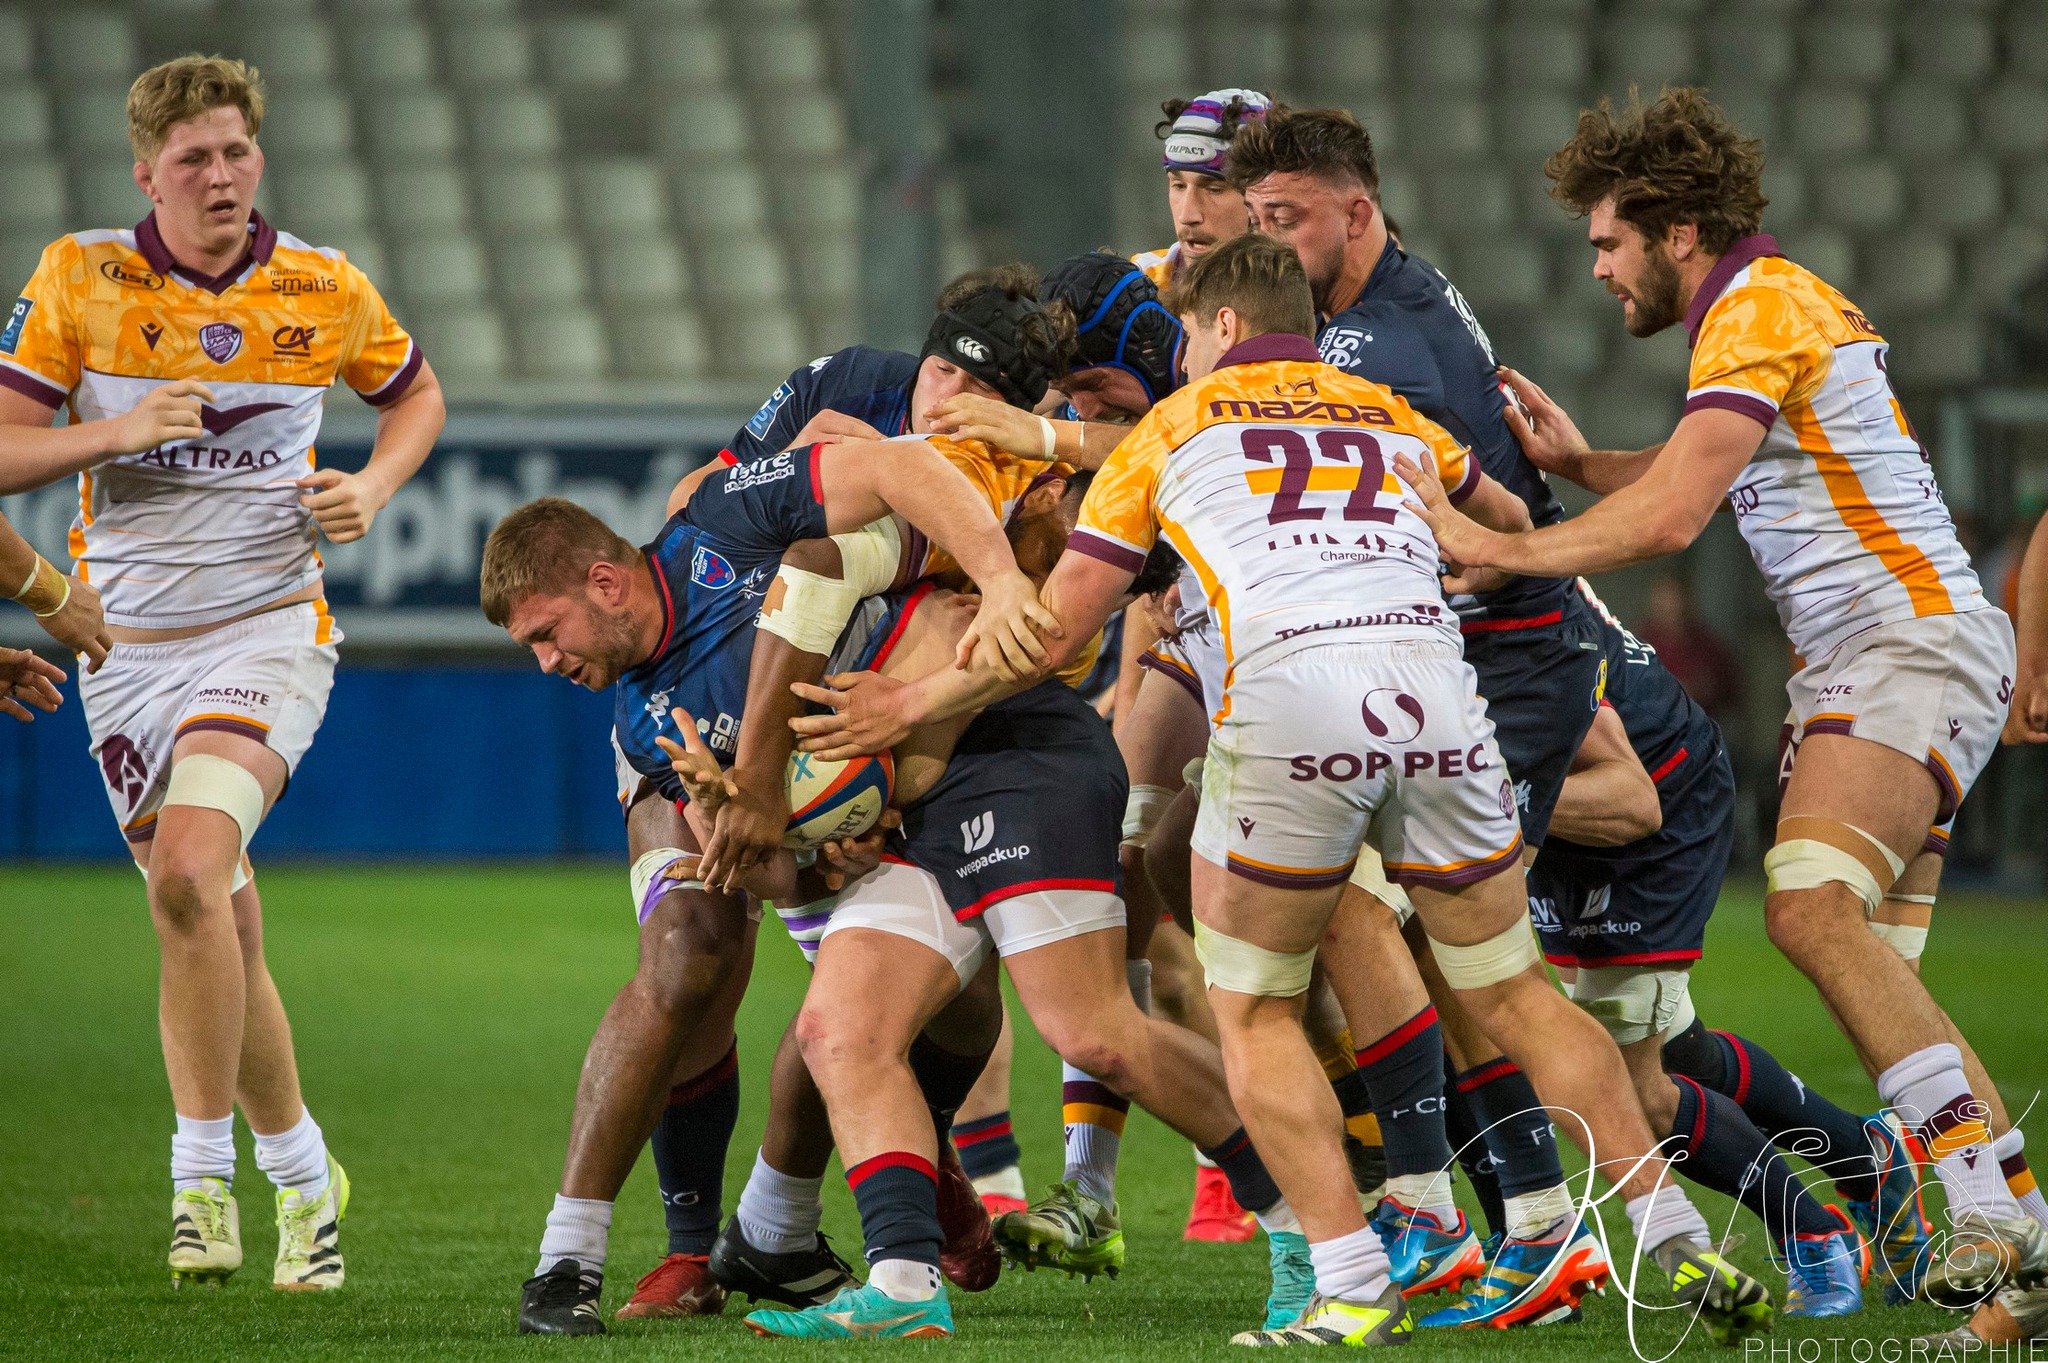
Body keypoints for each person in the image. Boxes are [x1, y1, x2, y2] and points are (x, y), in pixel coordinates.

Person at [794, 234, 1774, 1348]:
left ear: (1213, 329)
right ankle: (1665, 1235)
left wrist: (907, 707)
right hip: (1436, 697)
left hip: (1293, 701)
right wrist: (1458, 542)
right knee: (1513, 994)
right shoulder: (1386, 412)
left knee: (1253, 1006)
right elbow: (1509, 524)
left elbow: (1053, 628)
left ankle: (1352, 1279)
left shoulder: (1167, 430)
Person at [1402, 86, 2046, 1308]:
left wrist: (1498, 545)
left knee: (1806, 909)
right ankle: (2020, 1252)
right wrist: (1579, 466)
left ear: (1671, 229)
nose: (1597, 268)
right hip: (1894, 653)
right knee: (1883, 992)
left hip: (1900, 643)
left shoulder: (1752, 306)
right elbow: (1701, 465)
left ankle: (1972, 1211)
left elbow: (1677, 512)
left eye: (1605, 240)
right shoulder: (1764, 309)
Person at [0, 55, 445, 1289]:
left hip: (267, 628)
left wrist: (373, 483)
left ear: (260, 159)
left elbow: (416, 398)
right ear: (147, 174)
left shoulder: (321, 284)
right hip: (124, 649)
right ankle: (308, 1180)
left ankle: (200, 1187)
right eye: (192, 157)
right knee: (215, 921)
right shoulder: (79, 277)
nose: (220, 176)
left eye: (236, 151)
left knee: (190, 870)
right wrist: (116, 431)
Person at [481, 394, 1051, 1333]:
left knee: (961, 1008)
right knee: (690, 949)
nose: (546, 663)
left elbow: (905, 464)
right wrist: (805, 866)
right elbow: (763, 868)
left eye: (549, 634)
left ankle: (789, 1221)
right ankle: (571, 1258)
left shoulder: (728, 520)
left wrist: (998, 579)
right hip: (783, 806)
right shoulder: (644, 720)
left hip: (908, 769)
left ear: (605, 581)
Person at [1225, 104, 1656, 1303]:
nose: (1272, 239)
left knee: (1464, 957)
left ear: (1355, 212)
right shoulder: (1382, 303)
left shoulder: (1371, 353)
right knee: (1430, 940)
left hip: (1502, 661)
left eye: (1286, 218)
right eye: (1256, 220)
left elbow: (1471, 534)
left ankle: (1516, 1217)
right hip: (1464, 664)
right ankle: (1505, 1214)